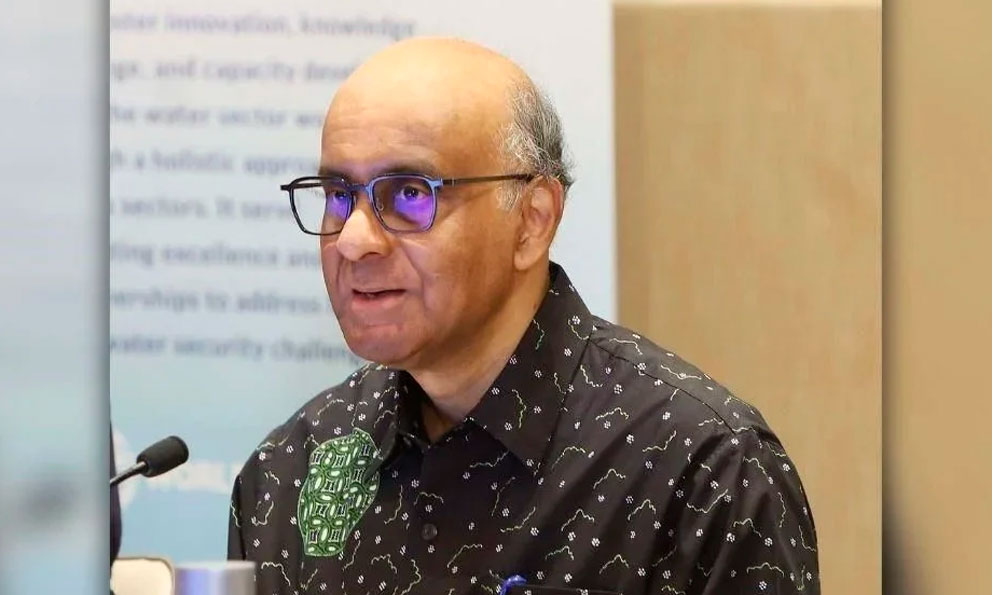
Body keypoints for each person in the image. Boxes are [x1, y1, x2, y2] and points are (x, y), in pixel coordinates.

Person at [228, 37, 820, 595]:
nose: (354, 240)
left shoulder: (701, 472)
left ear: (533, 220)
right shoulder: (288, 472)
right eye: (339, 195)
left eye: (410, 194)